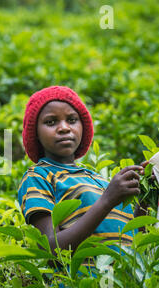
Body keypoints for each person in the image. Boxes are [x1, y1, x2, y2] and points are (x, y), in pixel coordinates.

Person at [18, 86, 148, 254]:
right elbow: (49, 250)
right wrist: (107, 200)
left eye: (72, 120)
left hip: (126, 280)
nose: (64, 128)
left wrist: (145, 196)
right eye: (51, 122)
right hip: (82, 280)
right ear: (35, 133)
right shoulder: (38, 176)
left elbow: (135, 241)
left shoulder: (100, 181)